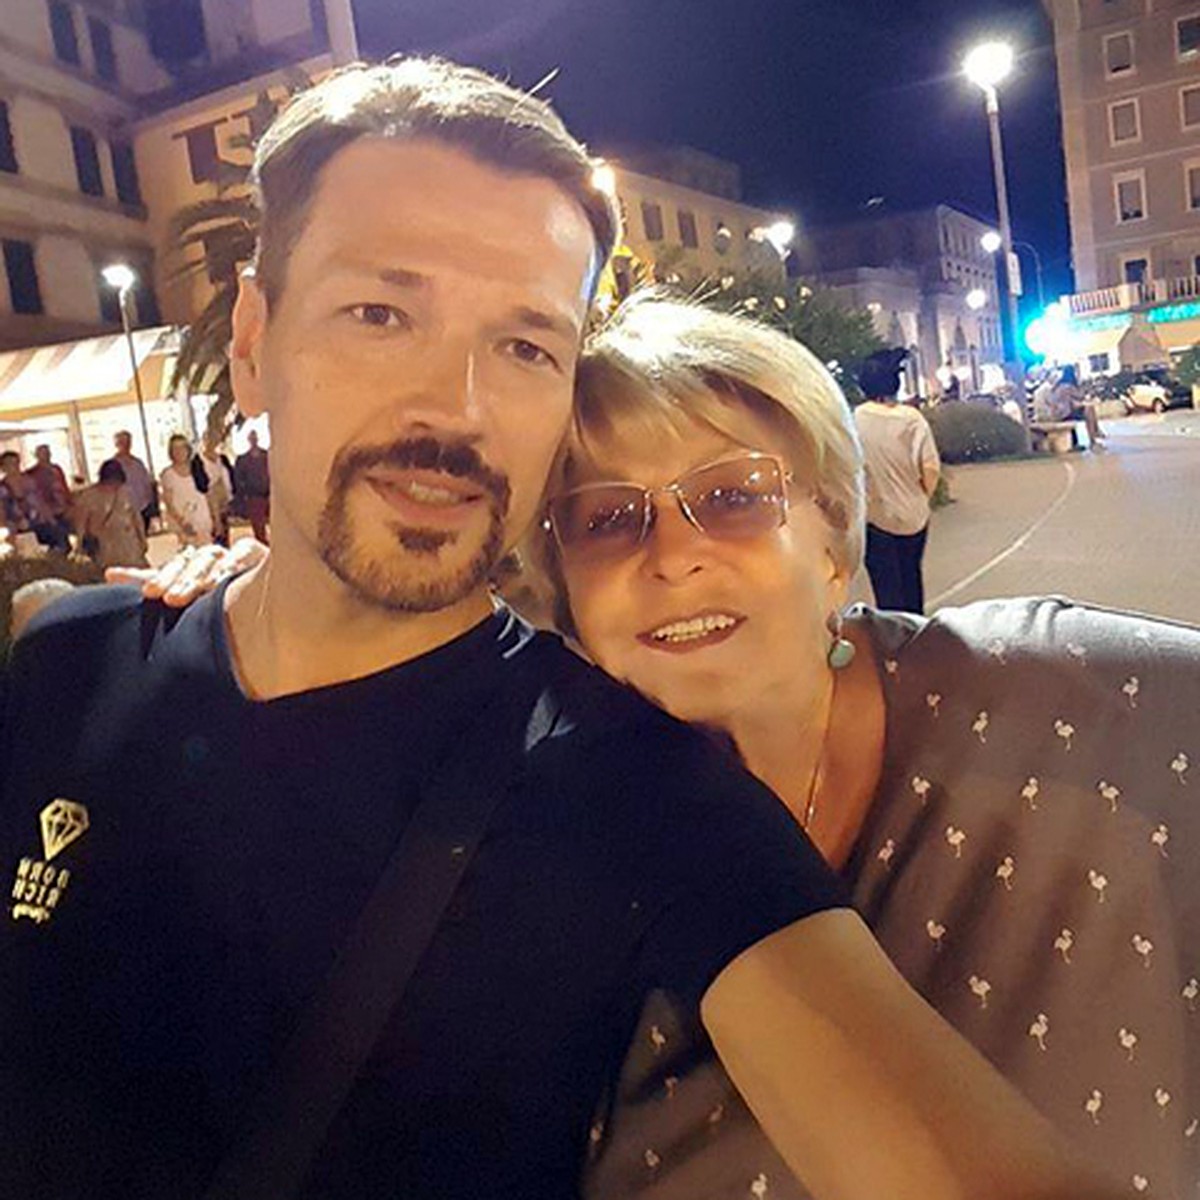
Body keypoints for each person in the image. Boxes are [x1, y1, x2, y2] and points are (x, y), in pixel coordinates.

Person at [1, 60, 1118, 1200]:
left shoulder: (638, 794)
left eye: (528, 347)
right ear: (251, 341)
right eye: (380, 313)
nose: (457, 409)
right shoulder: (63, 662)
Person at [853, 348, 939, 613]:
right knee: (911, 578)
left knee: (886, 589)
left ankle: (891, 635)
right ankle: (916, 630)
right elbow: (930, 468)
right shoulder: (912, 419)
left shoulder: (854, 419)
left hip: (874, 515)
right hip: (913, 514)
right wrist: (922, 495)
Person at [72, 460, 149, 569]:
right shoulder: (88, 497)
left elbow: (136, 517)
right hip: (106, 547)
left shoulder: (124, 493)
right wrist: (79, 546)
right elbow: (81, 524)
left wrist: (142, 540)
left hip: (127, 546)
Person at [159, 432, 214, 547]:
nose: (179, 452)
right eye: (175, 449)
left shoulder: (198, 468)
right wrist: (183, 523)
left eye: (182, 448)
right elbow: (168, 503)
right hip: (183, 525)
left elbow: (208, 494)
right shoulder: (168, 474)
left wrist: (215, 517)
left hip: (203, 521)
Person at [102, 430, 157, 532]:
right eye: (122, 442)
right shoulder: (112, 466)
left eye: (127, 442)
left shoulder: (138, 463)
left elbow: (147, 484)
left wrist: (151, 504)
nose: (125, 445)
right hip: (123, 512)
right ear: (116, 444)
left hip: (142, 509)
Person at [23, 443, 72, 550]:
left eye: (47, 453)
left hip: (62, 509)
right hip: (45, 513)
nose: (46, 455)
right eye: (43, 453)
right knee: (55, 539)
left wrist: (69, 502)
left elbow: (64, 487)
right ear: (37, 455)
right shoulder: (32, 473)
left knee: (64, 537)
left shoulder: (56, 469)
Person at [196, 436, 235, 546]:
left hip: (223, 497)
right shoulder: (198, 460)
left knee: (225, 528)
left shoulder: (222, 458)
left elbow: (230, 476)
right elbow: (200, 484)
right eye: (209, 440)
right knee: (215, 530)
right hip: (208, 499)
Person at [234, 428, 271, 542]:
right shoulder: (243, 460)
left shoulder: (267, 456)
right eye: (251, 438)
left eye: (255, 438)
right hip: (254, 497)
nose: (253, 440)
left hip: (269, 496)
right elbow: (238, 480)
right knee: (259, 529)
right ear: (248, 440)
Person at [0, 449, 33, 535]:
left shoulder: (29, 481)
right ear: (3, 468)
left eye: (16, 463)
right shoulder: (2, 488)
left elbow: (39, 502)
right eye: (10, 464)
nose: (15, 467)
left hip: (36, 523)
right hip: (14, 528)